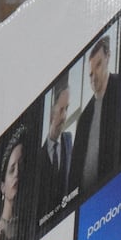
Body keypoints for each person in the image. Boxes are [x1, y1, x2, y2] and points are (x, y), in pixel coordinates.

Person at [73, 35, 121, 196]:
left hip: (116, 186)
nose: (94, 77)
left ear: (108, 57)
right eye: (90, 73)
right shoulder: (84, 118)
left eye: (99, 65)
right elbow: (75, 172)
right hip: (87, 200)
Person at [36, 75, 73, 224]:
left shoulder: (68, 139)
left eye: (67, 109)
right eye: (61, 110)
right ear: (51, 114)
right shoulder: (38, 156)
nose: (64, 116)